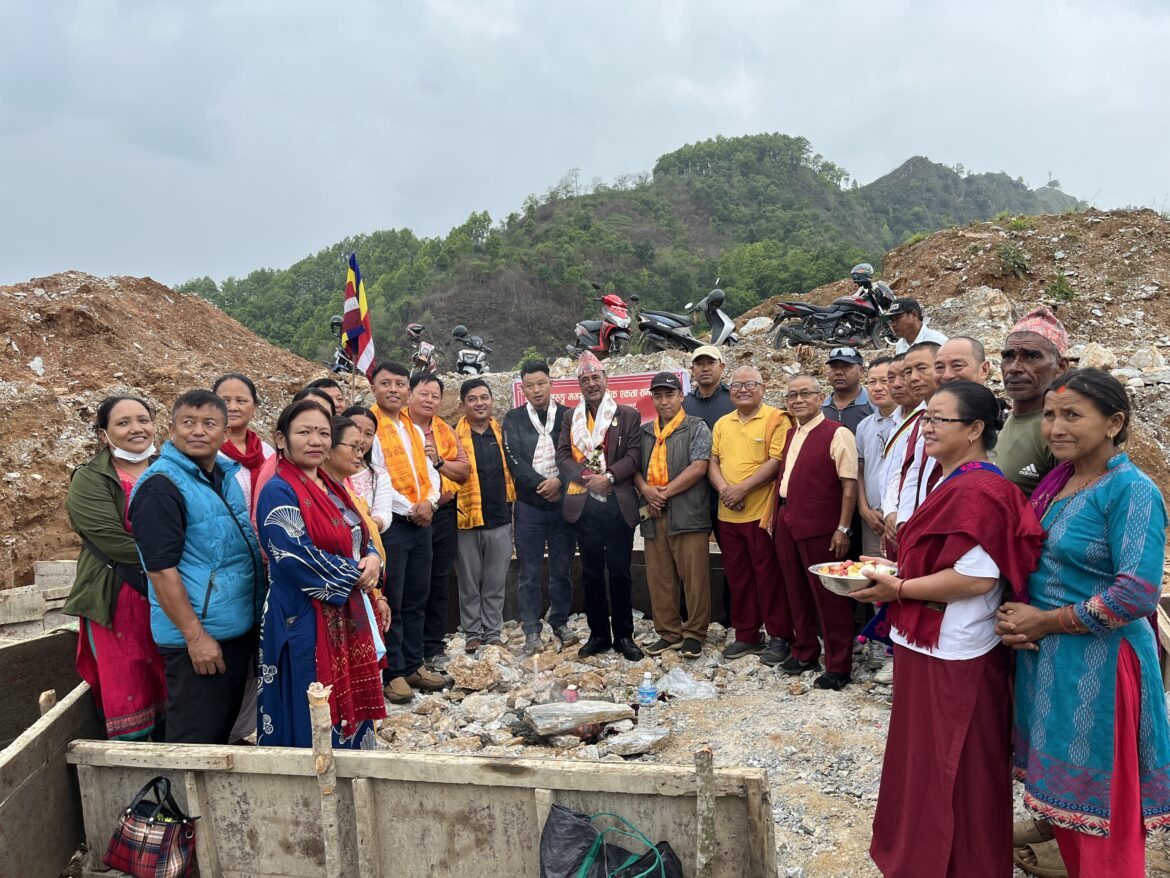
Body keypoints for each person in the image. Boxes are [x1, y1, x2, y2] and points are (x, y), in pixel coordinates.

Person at [853, 380, 1045, 877]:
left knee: (956, 768)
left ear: (976, 428)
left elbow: (976, 578)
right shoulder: (950, 480)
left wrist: (897, 589)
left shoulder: (984, 488)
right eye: (926, 418)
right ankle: (919, 858)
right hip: (926, 640)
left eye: (940, 419)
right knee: (921, 759)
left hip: (958, 649)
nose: (927, 427)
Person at [997, 369, 1170, 878]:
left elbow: (1135, 593)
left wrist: (1045, 620)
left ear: (1114, 422)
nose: (1055, 426)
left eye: (1072, 414)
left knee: (1102, 815)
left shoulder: (1130, 491)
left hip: (1103, 669)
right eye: (1050, 414)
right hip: (1053, 664)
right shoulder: (1063, 481)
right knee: (1067, 808)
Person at [129, 390, 266, 745]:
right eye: (188, 422)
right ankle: (176, 801)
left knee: (224, 732)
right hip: (201, 640)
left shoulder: (223, 475)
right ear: (171, 430)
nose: (198, 431)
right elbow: (160, 571)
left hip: (232, 629)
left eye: (209, 424)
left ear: (224, 433)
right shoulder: (161, 486)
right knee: (195, 741)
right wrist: (196, 637)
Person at [256, 402, 386, 749]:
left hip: (344, 611)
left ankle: (352, 772)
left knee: (348, 699)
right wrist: (356, 573)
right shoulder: (278, 490)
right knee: (311, 698)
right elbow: (293, 556)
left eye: (323, 433)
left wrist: (372, 560)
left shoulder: (332, 485)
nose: (315, 440)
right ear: (281, 440)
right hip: (302, 615)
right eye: (304, 432)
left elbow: (360, 534)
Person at [64, 395, 167, 740]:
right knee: (129, 678)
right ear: (104, 433)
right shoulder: (91, 478)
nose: (136, 429)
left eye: (143, 419)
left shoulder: (174, 467)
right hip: (119, 595)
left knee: (173, 679)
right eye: (123, 423)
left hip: (174, 593)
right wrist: (175, 562)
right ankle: (135, 768)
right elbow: (110, 539)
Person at [772, 374, 859, 690]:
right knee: (795, 590)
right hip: (788, 518)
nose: (797, 400)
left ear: (820, 397)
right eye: (792, 395)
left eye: (804, 394)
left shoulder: (838, 434)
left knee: (829, 597)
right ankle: (805, 650)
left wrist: (843, 528)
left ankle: (839, 665)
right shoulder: (792, 434)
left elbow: (849, 484)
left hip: (822, 525)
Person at [555, 351, 644, 661]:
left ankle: (624, 635)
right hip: (584, 505)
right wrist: (585, 477)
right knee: (591, 572)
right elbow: (563, 456)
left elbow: (633, 456)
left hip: (617, 504)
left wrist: (608, 476)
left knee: (620, 571)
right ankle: (598, 635)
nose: (590, 384)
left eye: (595, 378)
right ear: (578, 385)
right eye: (584, 379)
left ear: (606, 381)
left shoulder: (628, 414)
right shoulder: (570, 417)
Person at [369, 361, 444, 703]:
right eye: (387, 383)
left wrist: (429, 503)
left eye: (400, 384)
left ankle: (414, 664)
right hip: (393, 525)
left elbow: (429, 472)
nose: (394, 390)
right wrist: (411, 509)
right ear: (374, 387)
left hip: (422, 521)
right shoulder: (370, 426)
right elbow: (377, 477)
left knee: (417, 596)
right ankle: (393, 671)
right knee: (394, 600)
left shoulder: (412, 427)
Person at [708, 366, 793, 665]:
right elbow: (713, 462)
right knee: (738, 577)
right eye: (736, 385)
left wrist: (741, 489)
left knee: (768, 576)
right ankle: (747, 634)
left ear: (763, 388)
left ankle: (780, 635)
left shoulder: (775, 419)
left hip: (760, 514)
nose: (743, 390)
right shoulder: (722, 423)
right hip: (727, 513)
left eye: (750, 384)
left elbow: (776, 461)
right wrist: (725, 491)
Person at [634, 371, 712, 659]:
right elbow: (635, 470)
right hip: (652, 514)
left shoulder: (696, 427)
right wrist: (646, 491)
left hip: (687, 513)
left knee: (694, 577)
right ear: (652, 399)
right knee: (659, 575)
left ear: (682, 396)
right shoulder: (644, 432)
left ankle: (694, 634)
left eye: (670, 395)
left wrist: (663, 493)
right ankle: (668, 633)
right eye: (658, 395)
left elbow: (699, 467)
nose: (664, 401)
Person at [502, 360, 578, 654]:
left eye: (541, 383)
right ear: (523, 389)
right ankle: (532, 628)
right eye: (530, 385)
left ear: (551, 384)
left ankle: (560, 621)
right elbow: (513, 459)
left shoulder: (569, 416)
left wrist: (559, 481)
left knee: (562, 567)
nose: (536, 390)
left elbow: (578, 453)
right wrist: (539, 484)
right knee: (528, 571)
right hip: (529, 506)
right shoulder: (513, 418)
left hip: (563, 504)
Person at [404, 375, 470, 667]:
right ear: (409, 395)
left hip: (443, 514)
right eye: (424, 394)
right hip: (407, 517)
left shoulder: (444, 430)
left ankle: (433, 644)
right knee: (411, 584)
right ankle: (408, 649)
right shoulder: (396, 427)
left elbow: (464, 471)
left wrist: (439, 462)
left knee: (439, 580)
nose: (429, 400)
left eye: (434, 395)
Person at [453, 379, 515, 651]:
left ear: (492, 400)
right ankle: (472, 633)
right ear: (463, 404)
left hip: (500, 519)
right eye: (472, 398)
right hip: (465, 521)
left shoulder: (503, 434)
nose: (479, 403)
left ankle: (492, 631)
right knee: (468, 582)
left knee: (495, 580)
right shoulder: (452, 438)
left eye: (484, 397)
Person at [998, 307, 1069, 496]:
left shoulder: (1060, 432)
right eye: (1008, 357)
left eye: (1031, 356)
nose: (1014, 368)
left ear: (1060, 366)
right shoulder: (1003, 420)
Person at [855, 358, 898, 559]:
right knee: (872, 574)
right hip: (872, 519)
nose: (878, 388)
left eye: (885, 380)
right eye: (872, 382)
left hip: (901, 518)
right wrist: (863, 509)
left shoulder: (913, 421)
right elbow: (860, 471)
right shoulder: (864, 426)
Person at [341, 405, 396, 535]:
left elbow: (383, 513)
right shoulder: (324, 471)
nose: (361, 439)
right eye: (356, 430)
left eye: (369, 434)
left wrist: (368, 523)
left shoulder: (378, 475)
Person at [822, 347, 874, 433]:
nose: (839, 372)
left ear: (861, 371)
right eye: (834, 367)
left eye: (846, 367)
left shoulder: (875, 406)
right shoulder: (821, 409)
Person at [683, 345, 735, 429]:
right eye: (699, 364)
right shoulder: (684, 404)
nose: (705, 369)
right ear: (692, 370)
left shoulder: (734, 400)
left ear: (721, 367)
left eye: (711, 363)